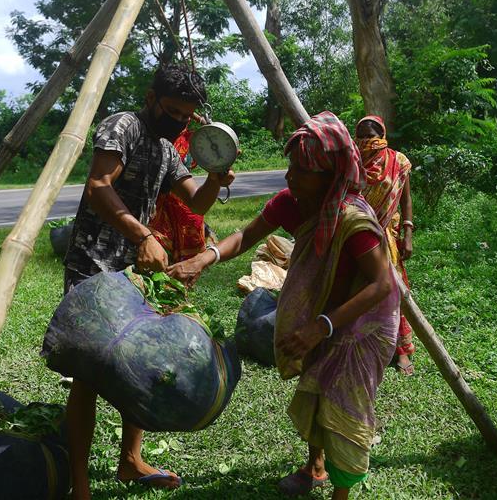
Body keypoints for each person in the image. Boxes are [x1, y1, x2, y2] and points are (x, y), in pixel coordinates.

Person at [168, 111, 403, 500]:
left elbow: (381, 284)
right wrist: (203, 258)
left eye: (303, 170)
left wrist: (321, 327)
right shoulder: (291, 202)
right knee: (314, 392)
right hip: (321, 314)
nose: (290, 176)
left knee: (344, 410)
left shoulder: (353, 220)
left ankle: (340, 492)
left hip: (362, 324)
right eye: (291, 165)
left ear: (330, 175)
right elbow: (246, 235)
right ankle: (315, 466)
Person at [60, 64, 235, 499]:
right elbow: (98, 185)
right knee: (88, 373)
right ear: (151, 96)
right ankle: (78, 484)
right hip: (93, 264)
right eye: (172, 109)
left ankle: (130, 461)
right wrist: (143, 235)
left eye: (185, 115)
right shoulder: (124, 126)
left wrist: (215, 178)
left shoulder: (167, 148)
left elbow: (196, 202)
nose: (178, 120)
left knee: (141, 362)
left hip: (134, 271)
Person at [355, 115, 417, 375]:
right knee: (357, 292)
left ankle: (400, 350)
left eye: (373, 136)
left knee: (393, 292)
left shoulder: (398, 162)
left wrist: (408, 233)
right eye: (363, 136)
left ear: (382, 135)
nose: (369, 142)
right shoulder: (353, 163)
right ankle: (362, 343)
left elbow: (406, 200)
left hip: (386, 239)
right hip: (357, 236)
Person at [148, 112, 217, 261]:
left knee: (193, 220)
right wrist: (197, 117)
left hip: (180, 190)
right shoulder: (160, 135)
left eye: (185, 118)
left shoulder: (191, 140)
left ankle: (189, 263)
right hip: (158, 193)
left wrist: (203, 121)